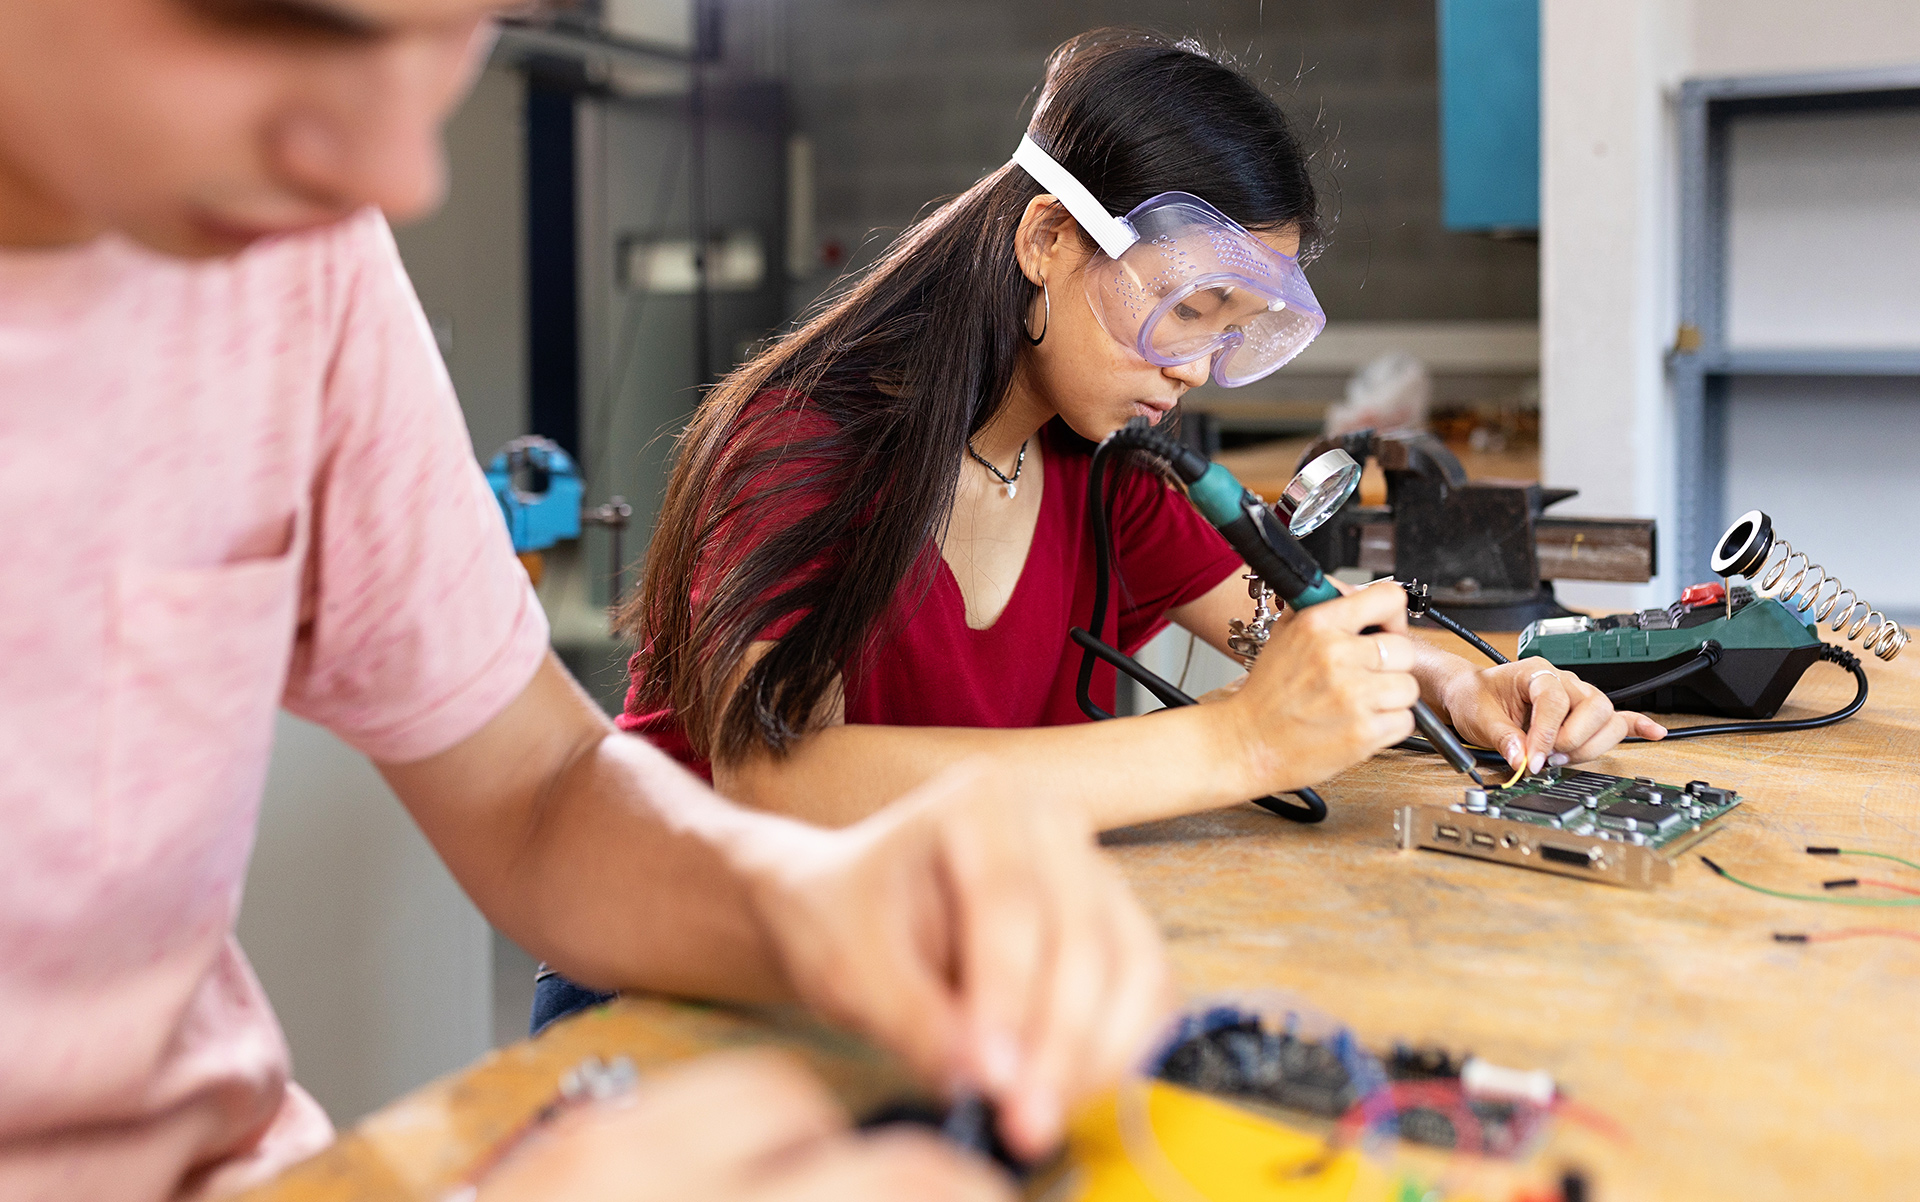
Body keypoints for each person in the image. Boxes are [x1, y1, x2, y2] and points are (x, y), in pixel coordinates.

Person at [0, 4, 1172, 1201]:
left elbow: (532, 786)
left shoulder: (296, 260)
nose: (401, 175)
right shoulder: (806, 434)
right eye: (295, 19)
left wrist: (804, 896)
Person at [610, 29, 1670, 835]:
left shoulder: (1107, 465)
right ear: (1047, 238)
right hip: (677, 982)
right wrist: (1236, 738)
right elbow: (778, 777)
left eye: (1229, 334)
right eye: (1185, 310)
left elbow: (1279, 624)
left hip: (905, 957)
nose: (1193, 369)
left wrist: (1463, 685)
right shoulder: (805, 442)